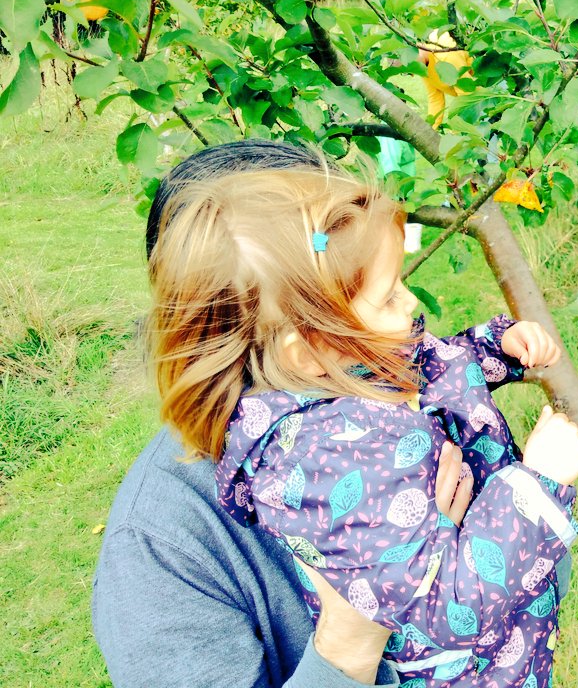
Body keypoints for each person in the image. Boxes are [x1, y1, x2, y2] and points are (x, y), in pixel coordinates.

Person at [146, 160, 578, 686]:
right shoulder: (324, 459)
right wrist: (536, 486)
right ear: (307, 349)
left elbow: (428, 367)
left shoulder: (343, 369)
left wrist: (498, 351)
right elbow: (447, 607)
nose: (411, 302)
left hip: (507, 641)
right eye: (386, 296)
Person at [94, 140, 478, 687]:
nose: (408, 309)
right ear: (304, 342)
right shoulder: (161, 545)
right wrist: (351, 637)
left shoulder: (380, 391)